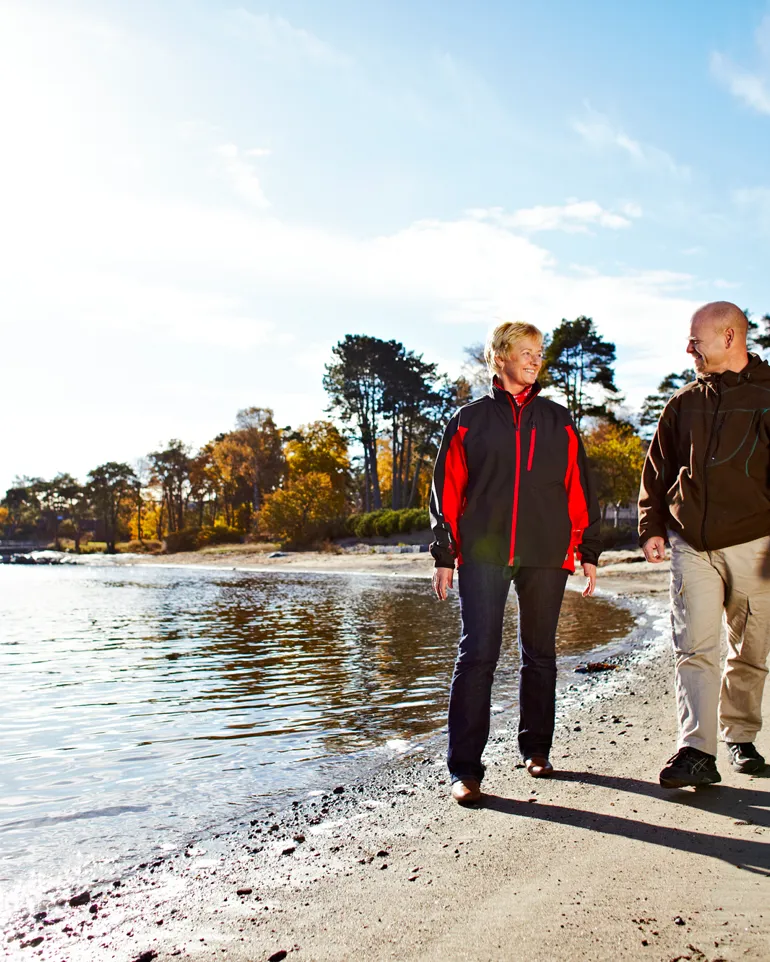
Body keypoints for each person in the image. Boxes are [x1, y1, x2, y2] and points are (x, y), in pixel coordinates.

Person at [430, 320, 602, 805]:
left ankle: (537, 749)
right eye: (526, 351)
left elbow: (578, 487)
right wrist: (444, 553)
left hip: (546, 550)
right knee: (477, 653)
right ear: (499, 357)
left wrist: (586, 550)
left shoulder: (559, 419)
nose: (535, 359)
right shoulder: (468, 419)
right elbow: (447, 491)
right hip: (483, 549)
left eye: (539, 352)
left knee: (540, 653)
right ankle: (465, 769)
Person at [639, 301, 770, 788]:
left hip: (757, 543)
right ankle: (696, 750)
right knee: (694, 646)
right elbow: (657, 470)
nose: (688, 348)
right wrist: (652, 526)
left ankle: (740, 735)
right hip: (691, 542)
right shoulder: (683, 403)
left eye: (697, 339)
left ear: (731, 337)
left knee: (751, 648)